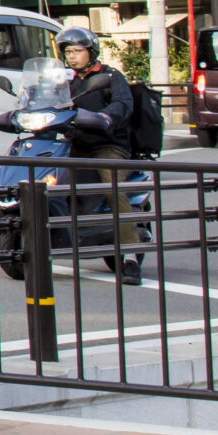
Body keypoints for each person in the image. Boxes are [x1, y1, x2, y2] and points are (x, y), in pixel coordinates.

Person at [58, 24, 144, 281]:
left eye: (77, 51)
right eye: (68, 51)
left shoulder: (110, 76)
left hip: (106, 145)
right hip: (72, 144)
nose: (72, 56)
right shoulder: (64, 79)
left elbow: (123, 104)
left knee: (112, 183)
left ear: (90, 51)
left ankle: (129, 256)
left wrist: (107, 116)